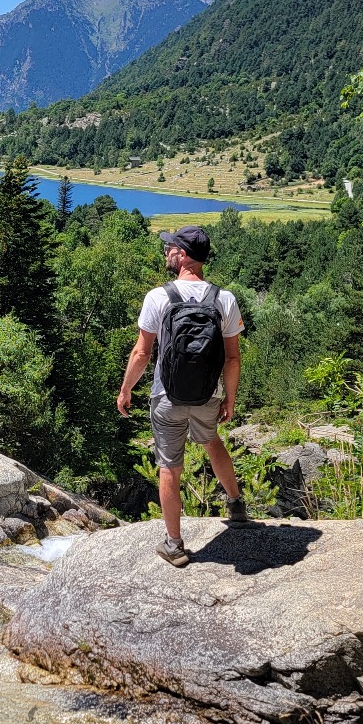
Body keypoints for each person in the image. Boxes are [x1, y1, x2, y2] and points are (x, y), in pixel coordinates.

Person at [116, 224, 247, 567]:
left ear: (183, 255)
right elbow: (233, 357)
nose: (166, 253)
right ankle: (235, 505)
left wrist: (126, 388)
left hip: (167, 396)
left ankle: (174, 545)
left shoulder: (159, 297)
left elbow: (142, 353)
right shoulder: (225, 299)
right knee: (211, 440)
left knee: (169, 467)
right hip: (208, 395)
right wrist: (229, 398)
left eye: (170, 248)